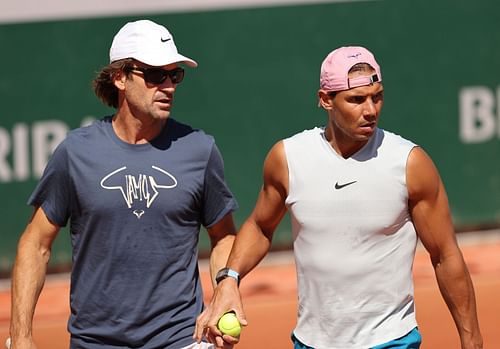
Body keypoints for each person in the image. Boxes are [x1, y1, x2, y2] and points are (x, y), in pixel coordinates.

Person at [195, 46, 483, 348]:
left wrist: (472, 339)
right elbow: (260, 226)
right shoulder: (288, 158)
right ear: (325, 100)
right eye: (357, 100)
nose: (370, 110)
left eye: (377, 96)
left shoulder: (410, 164)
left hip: (390, 340)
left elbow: (445, 255)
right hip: (312, 342)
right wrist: (229, 278)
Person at [9, 19, 238, 349]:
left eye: (175, 75)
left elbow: (223, 236)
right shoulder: (75, 152)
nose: (169, 86)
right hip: (96, 342)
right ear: (120, 77)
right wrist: (22, 335)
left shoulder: (200, 150)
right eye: (156, 75)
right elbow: (36, 243)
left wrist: (224, 291)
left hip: (180, 338)